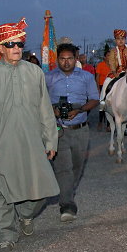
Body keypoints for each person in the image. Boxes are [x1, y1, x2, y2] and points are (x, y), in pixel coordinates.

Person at [0, 18, 59, 252]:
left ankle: (26, 215)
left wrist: (50, 140)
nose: (17, 48)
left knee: (40, 191)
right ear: (0, 48)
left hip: (31, 144)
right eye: (10, 44)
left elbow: (45, 110)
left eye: (20, 43)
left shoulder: (34, 72)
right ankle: (6, 236)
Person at [45, 43, 98, 222]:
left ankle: (66, 190)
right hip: (59, 130)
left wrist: (81, 109)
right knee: (63, 167)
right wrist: (53, 110)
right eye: (62, 59)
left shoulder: (87, 77)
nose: (66, 62)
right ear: (57, 59)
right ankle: (67, 204)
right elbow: (40, 101)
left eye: (69, 59)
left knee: (77, 165)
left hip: (80, 128)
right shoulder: (48, 78)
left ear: (75, 59)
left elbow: (94, 99)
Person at [99, 29, 127, 106]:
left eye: (122, 39)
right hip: (117, 72)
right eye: (118, 39)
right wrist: (114, 72)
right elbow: (111, 62)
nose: (120, 41)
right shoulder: (113, 51)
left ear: (125, 40)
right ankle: (102, 100)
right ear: (115, 40)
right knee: (106, 82)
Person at [95, 50, 112, 131]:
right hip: (103, 87)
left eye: (110, 55)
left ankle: (109, 125)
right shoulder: (100, 65)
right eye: (108, 55)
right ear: (105, 57)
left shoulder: (113, 65)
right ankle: (100, 122)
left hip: (112, 87)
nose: (109, 57)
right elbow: (97, 77)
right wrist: (98, 88)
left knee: (110, 105)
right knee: (102, 104)